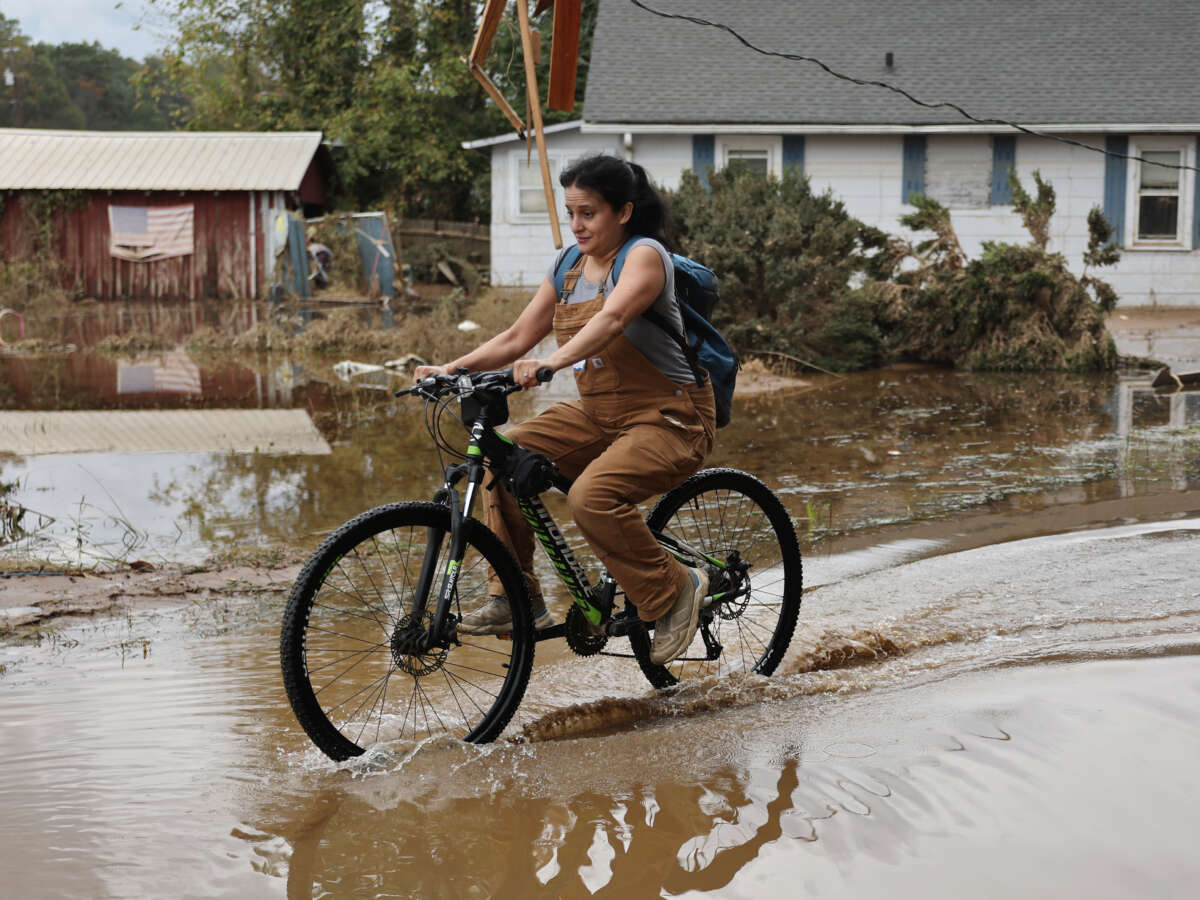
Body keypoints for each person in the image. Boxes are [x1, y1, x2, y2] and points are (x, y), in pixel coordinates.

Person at [413, 154, 716, 665]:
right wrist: (450, 368)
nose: (576, 225)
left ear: (623, 211)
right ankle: (516, 598)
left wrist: (550, 362)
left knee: (592, 498)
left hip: (672, 416)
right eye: (571, 212)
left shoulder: (644, 256)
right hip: (599, 414)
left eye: (589, 213)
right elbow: (516, 336)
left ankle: (676, 589)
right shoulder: (567, 265)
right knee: (499, 457)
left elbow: (615, 317)